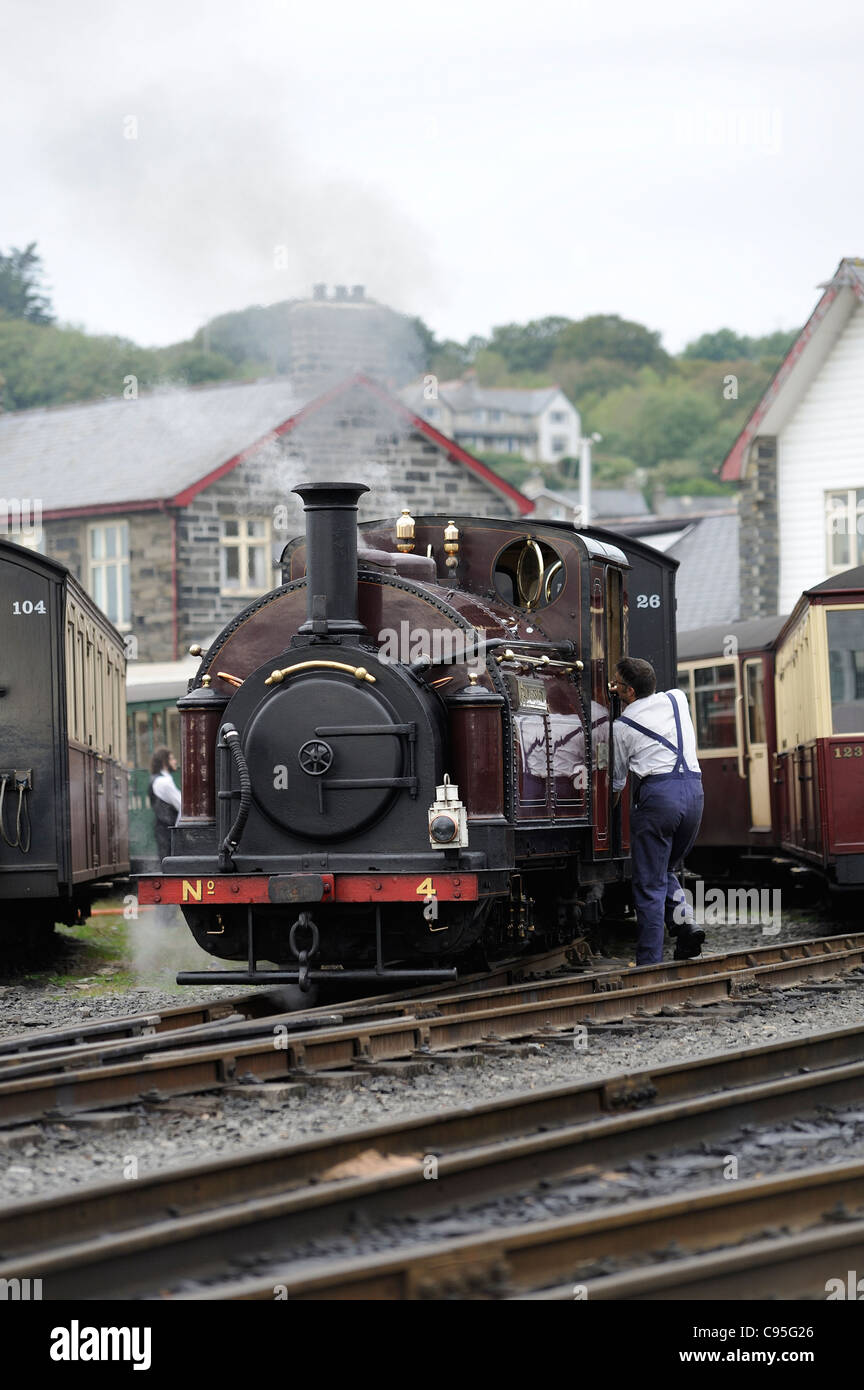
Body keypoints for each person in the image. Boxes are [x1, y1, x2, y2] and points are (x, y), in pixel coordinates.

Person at [611, 658, 705, 966]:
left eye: (617, 684)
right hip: (694, 794)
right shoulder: (677, 699)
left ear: (628, 692)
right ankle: (686, 925)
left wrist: (612, 808)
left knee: (649, 883)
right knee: (665, 870)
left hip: (659, 798)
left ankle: (648, 962)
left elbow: (617, 779)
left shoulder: (621, 727)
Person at [149, 747, 181, 862]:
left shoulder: (159, 780)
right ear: (164, 762)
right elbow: (182, 806)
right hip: (167, 831)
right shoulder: (163, 782)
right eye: (172, 758)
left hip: (163, 830)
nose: (175, 761)